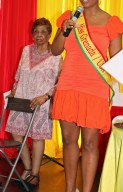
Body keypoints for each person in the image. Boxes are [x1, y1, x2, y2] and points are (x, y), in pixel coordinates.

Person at [51, 0, 123, 191]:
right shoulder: (69, 17)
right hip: (68, 84)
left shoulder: (111, 22)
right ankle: (69, 189)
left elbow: (117, 58)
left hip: (95, 88)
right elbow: (55, 50)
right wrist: (64, 30)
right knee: (69, 140)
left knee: (89, 143)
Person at [5, 18, 62, 191]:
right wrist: (14, 89)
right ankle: (28, 168)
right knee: (16, 134)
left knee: (37, 137)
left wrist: (46, 96)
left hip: (41, 102)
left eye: (43, 32)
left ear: (50, 34)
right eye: (36, 32)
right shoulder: (26, 50)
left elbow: (60, 82)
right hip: (21, 99)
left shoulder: (57, 54)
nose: (39, 35)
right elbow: (19, 74)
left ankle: (35, 174)